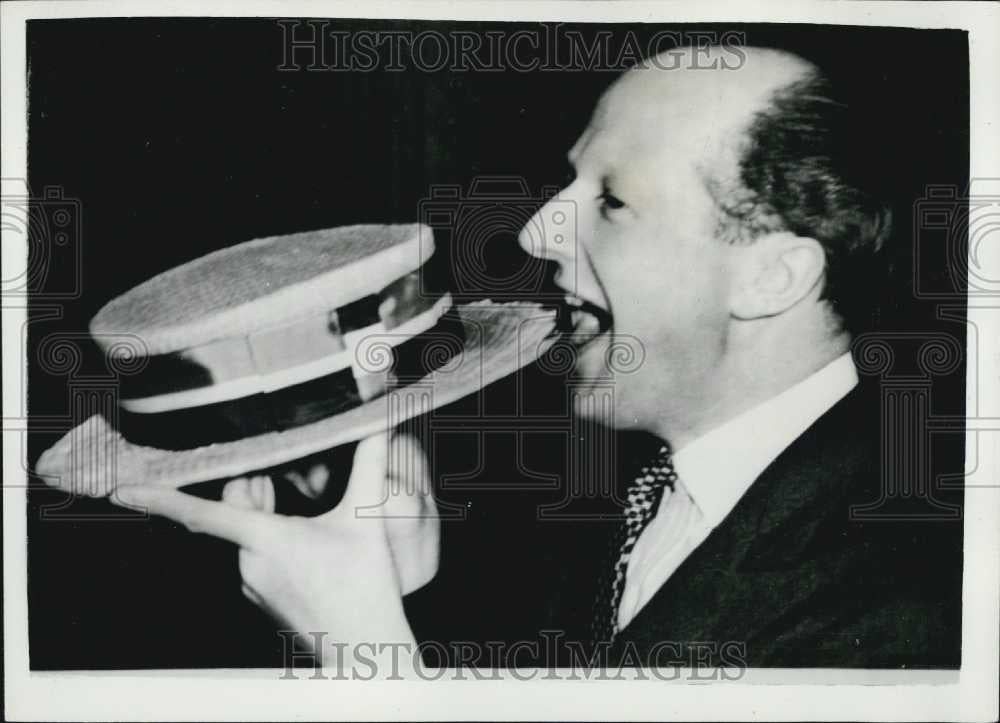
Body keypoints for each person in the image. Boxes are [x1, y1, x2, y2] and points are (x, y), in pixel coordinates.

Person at [113, 45, 962, 670]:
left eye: (613, 201)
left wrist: (366, 660)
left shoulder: (913, 599)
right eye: (572, 183)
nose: (535, 231)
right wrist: (403, 604)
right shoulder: (621, 495)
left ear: (772, 275)